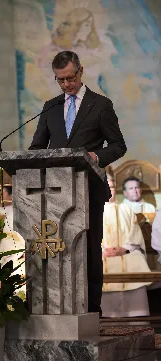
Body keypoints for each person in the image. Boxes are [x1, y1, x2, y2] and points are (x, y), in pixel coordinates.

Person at [29, 51, 127, 315]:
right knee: (56, 247)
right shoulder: (50, 106)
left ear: (81, 72)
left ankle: (92, 308)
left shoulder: (101, 105)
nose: (66, 85)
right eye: (60, 80)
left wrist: (96, 156)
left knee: (90, 247)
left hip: (88, 188)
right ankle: (55, 306)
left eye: (70, 78)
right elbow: (37, 146)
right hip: (54, 191)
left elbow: (119, 145)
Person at [101, 176, 151, 317]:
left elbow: (135, 233)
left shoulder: (126, 209)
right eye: (106, 186)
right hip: (103, 256)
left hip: (126, 253)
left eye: (111, 187)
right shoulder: (92, 211)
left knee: (137, 260)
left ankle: (135, 321)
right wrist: (103, 252)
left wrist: (124, 248)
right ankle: (107, 321)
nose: (109, 190)